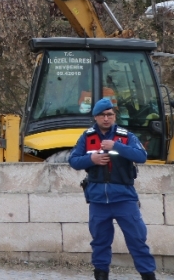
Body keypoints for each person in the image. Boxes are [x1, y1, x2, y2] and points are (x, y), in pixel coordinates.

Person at [68, 98, 156, 280]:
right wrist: (91, 160)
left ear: (114, 116)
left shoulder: (126, 136)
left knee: (137, 240)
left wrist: (116, 146)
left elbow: (141, 156)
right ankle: (101, 275)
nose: (106, 118)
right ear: (95, 117)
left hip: (124, 198)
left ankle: (148, 275)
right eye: (102, 115)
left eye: (110, 114)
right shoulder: (87, 137)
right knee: (100, 242)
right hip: (98, 200)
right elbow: (73, 160)